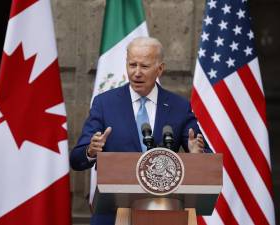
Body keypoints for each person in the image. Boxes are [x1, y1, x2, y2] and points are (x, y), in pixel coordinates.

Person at [70, 37, 206, 225]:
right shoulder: (105, 104)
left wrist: (197, 155)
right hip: (112, 215)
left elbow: (206, 160)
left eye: (144, 66)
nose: (136, 73)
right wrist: (91, 151)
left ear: (160, 69)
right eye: (132, 65)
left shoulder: (178, 107)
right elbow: (76, 159)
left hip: (163, 214)